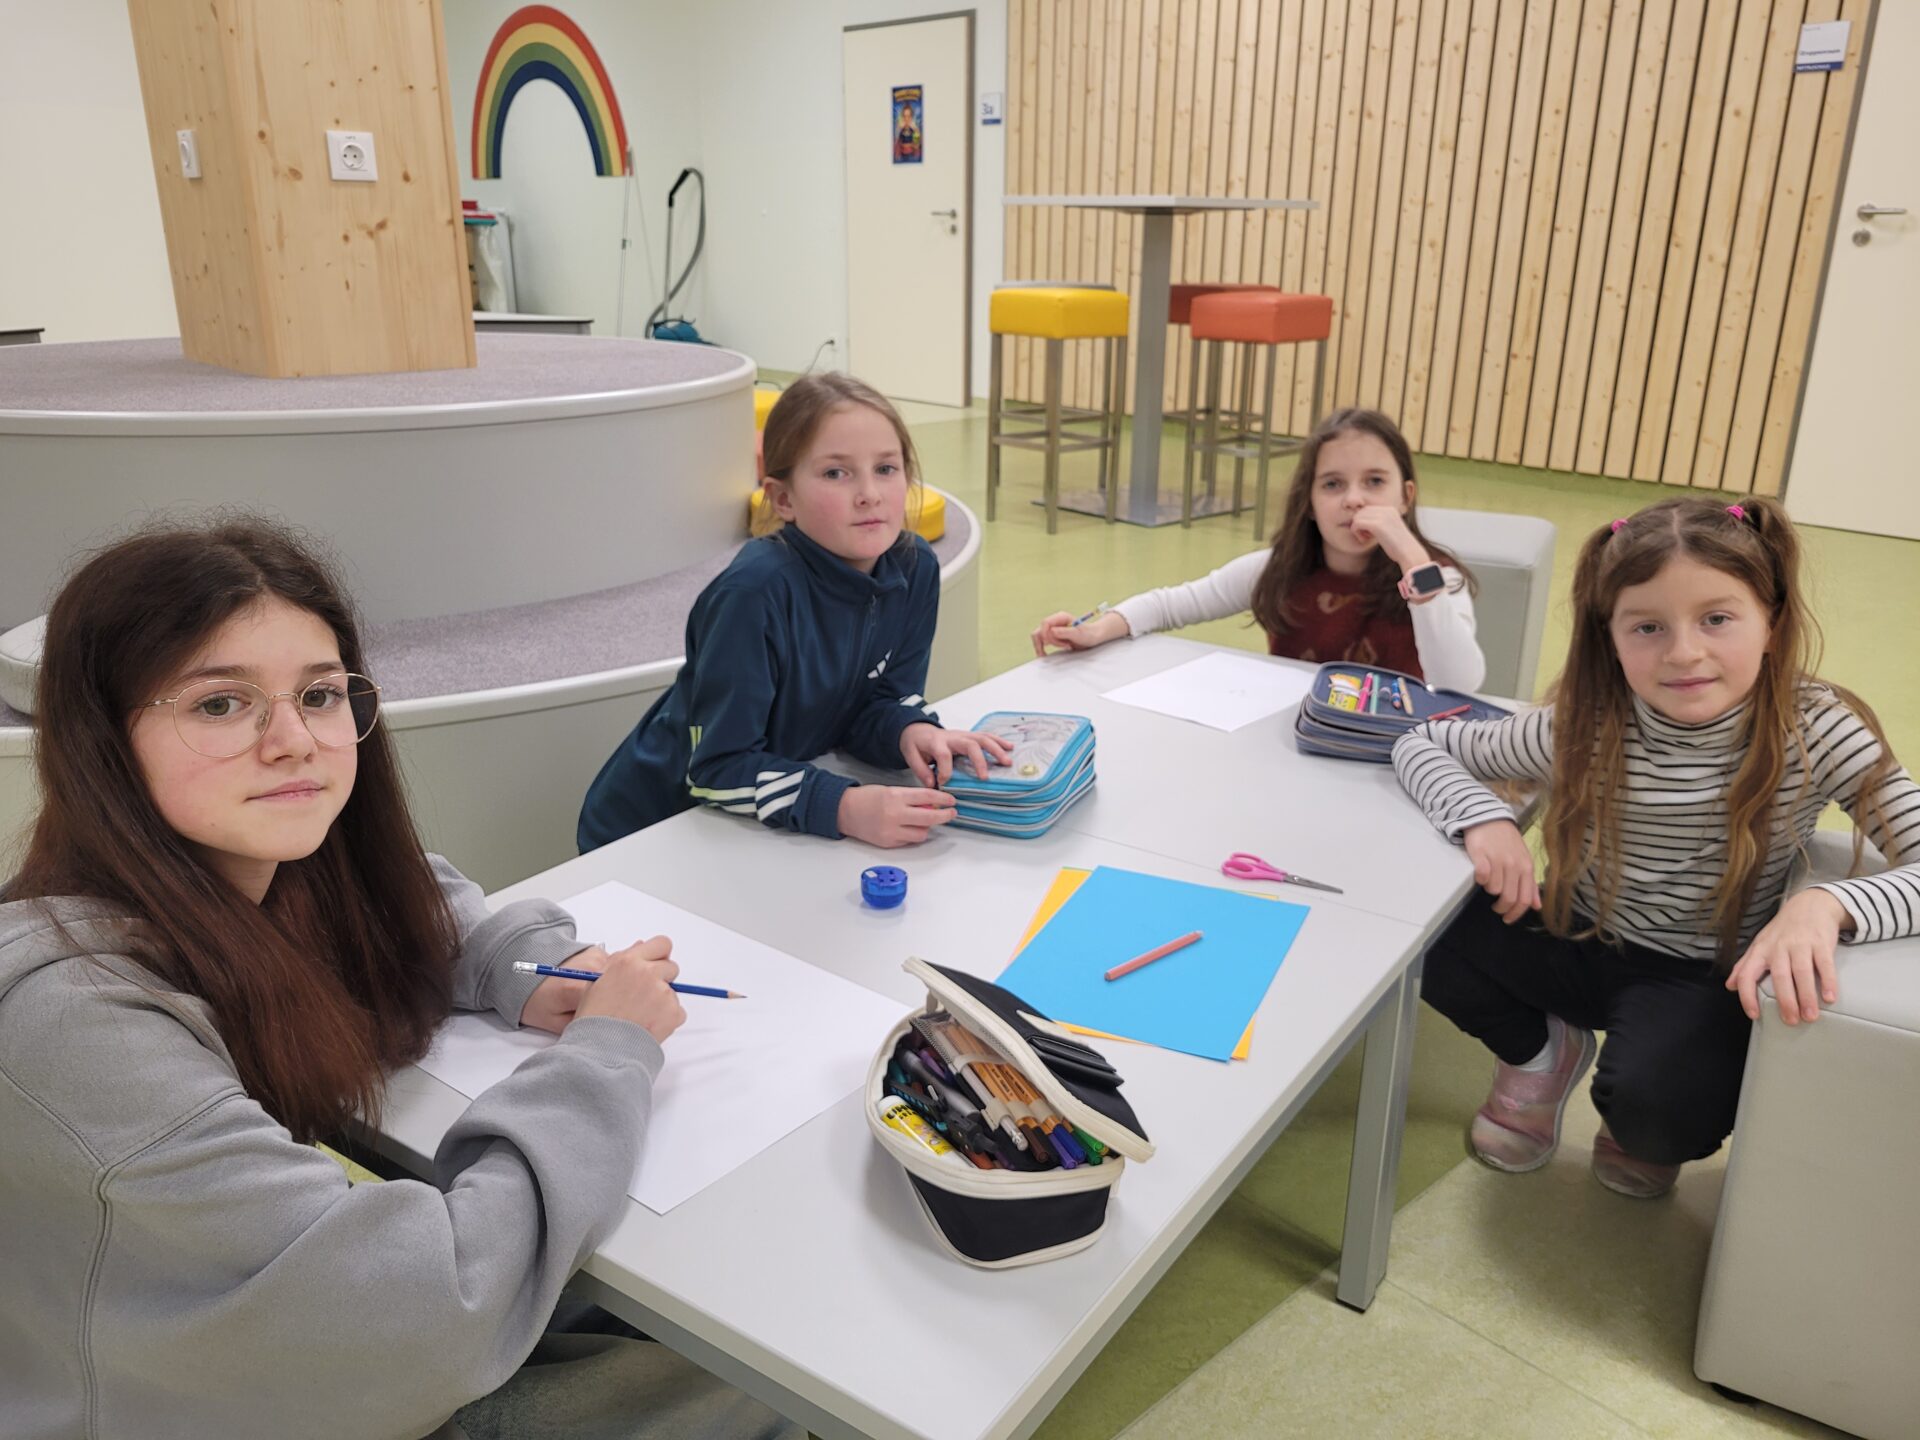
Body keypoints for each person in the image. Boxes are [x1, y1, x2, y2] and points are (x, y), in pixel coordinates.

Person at [0, 519, 799, 1440]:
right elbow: (429, 1317)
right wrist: (605, 1053)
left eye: (319, 694)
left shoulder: (248, 866)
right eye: (220, 704)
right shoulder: (72, 1023)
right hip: (190, 1404)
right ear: (102, 738)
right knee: (751, 1384)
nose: (293, 740)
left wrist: (522, 964)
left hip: (265, 1356)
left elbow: (404, 902)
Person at [1392, 496, 1920, 1198]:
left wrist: (1826, 905)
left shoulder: (1817, 730)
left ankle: (1634, 1111)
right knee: (1407, 932)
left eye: (1717, 618)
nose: (1683, 652)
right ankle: (1540, 1053)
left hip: (1700, 975)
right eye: (1647, 626)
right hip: (1572, 933)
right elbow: (1420, 741)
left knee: (1660, 1123)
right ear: (1609, 637)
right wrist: (1482, 819)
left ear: (1771, 622)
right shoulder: (1582, 722)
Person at [579, 372, 1010, 852]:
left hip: (760, 825)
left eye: (886, 468)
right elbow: (717, 768)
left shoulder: (915, 568)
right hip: (654, 832)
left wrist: (911, 729)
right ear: (783, 498)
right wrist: (843, 806)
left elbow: (878, 703)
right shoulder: (753, 593)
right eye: (836, 473)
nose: (869, 493)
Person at [1031, 407, 1484, 691]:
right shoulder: (1278, 571)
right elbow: (1170, 604)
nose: (1354, 500)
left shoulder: (1437, 578)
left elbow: (1461, 682)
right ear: (1309, 502)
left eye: (1375, 482)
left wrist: (1413, 562)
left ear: (1406, 497)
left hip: (1398, 760)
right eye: (1332, 484)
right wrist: (1095, 631)